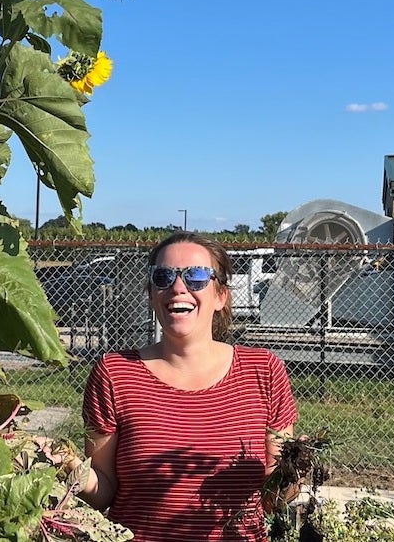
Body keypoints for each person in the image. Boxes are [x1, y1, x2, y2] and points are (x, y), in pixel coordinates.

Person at [73, 231, 298, 542]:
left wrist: (294, 470)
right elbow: (103, 491)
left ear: (221, 296)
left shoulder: (263, 372)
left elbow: (273, 499)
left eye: (196, 277)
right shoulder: (115, 373)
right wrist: (71, 469)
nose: (178, 288)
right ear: (151, 293)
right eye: (163, 276)